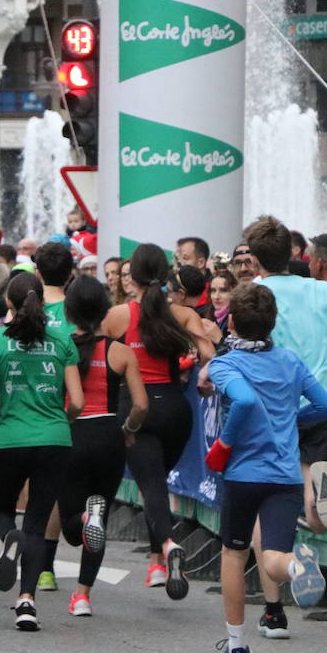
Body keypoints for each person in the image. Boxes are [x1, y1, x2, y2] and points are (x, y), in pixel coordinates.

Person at [202, 281, 327, 653]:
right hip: (285, 474)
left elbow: (242, 400)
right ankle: (297, 567)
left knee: (234, 552)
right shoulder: (290, 361)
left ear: (234, 323)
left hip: (244, 473)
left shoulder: (226, 363)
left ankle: (238, 647)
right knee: (275, 554)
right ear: (272, 323)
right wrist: (293, 418)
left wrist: (224, 445)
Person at [102, 243, 214, 597]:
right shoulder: (181, 314)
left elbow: (94, 360)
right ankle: (154, 560)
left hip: (136, 407)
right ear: (165, 276)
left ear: (131, 277)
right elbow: (210, 354)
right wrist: (202, 370)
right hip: (175, 410)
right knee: (157, 482)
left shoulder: (119, 315)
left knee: (151, 484)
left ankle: (166, 545)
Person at [0, 272, 83, 630]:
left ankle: (12, 540)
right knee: (38, 523)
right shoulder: (62, 341)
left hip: (12, 438)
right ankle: (26, 602)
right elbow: (78, 402)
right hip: (55, 439)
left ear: (8, 302)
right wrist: (61, 419)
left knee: (0, 512)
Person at [245, 216, 327, 578]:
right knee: (312, 486)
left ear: (254, 259)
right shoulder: (325, 291)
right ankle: (317, 495)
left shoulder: (254, 294)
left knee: (286, 490)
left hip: (281, 403)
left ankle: (313, 501)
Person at [61, 276, 148, 616]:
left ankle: (83, 517)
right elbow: (140, 404)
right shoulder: (121, 351)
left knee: (71, 523)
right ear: (104, 310)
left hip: (71, 434)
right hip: (110, 436)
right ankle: (82, 596)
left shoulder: (62, 347)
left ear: (70, 311)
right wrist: (127, 429)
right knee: (102, 512)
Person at [206, 270, 237, 335]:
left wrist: (219, 340)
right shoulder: (209, 315)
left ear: (234, 292)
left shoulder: (238, 319)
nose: (216, 296)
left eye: (223, 291)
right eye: (213, 291)